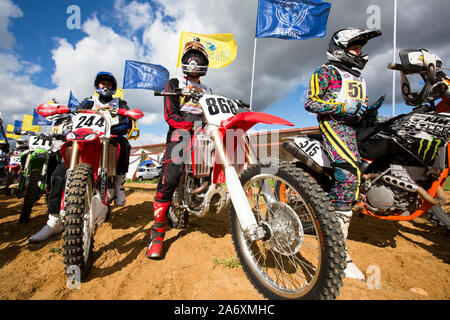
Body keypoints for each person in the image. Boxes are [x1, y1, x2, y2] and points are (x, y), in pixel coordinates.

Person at [304, 27, 383, 280]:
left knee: (365, 176)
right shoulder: (325, 72)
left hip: (355, 129)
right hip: (335, 126)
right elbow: (311, 102)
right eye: (355, 47)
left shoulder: (359, 78)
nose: (359, 52)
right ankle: (337, 253)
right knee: (348, 178)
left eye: (360, 48)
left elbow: (359, 108)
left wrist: (368, 112)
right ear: (340, 48)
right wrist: (341, 106)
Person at [145, 38, 211, 259]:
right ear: (184, 61)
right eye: (190, 57)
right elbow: (170, 115)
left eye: (198, 58)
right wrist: (190, 126)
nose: (194, 61)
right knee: (170, 176)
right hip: (180, 131)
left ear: (204, 62)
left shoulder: (209, 89)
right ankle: (157, 232)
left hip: (203, 132)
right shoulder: (174, 84)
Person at [79, 71, 132, 206]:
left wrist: (122, 117)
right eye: (103, 83)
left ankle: (119, 183)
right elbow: (76, 114)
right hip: (89, 136)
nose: (105, 87)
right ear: (98, 85)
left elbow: (126, 122)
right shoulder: (89, 102)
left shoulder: (120, 102)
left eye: (109, 84)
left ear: (113, 87)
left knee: (124, 143)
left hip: (111, 135)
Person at [29, 111, 72, 243]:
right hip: (53, 153)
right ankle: (54, 220)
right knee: (55, 178)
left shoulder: (71, 123)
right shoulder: (55, 125)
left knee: (59, 177)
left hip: (70, 152)